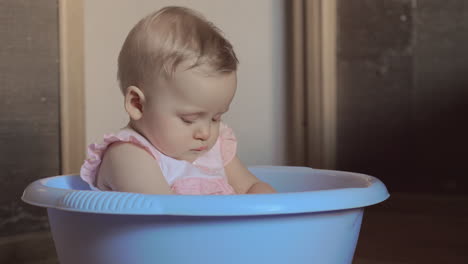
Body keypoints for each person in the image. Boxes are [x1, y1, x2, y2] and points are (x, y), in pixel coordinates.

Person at [80, 6, 276, 195]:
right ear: (137, 104)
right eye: (189, 119)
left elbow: (250, 187)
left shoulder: (216, 148)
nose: (205, 132)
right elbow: (166, 217)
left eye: (216, 118)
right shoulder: (128, 155)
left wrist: (273, 203)